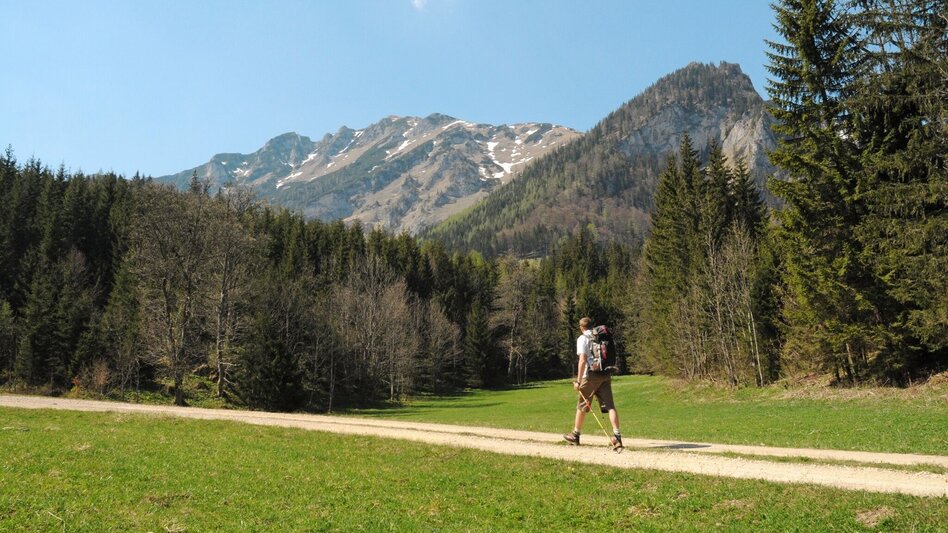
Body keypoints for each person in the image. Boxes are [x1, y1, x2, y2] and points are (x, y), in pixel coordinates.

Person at [563, 317, 622, 448]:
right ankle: (617, 437)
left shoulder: (582, 339)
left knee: (582, 406)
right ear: (592, 326)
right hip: (605, 374)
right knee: (610, 406)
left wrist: (578, 382)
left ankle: (575, 435)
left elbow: (582, 360)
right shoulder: (600, 337)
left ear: (581, 327)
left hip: (591, 375)